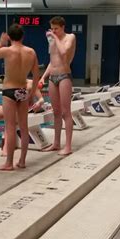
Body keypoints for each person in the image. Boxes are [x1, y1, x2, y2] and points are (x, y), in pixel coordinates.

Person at [0, 24, 39, 170]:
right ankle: (22, 161)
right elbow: (36, 76)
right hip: (23, 90)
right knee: (24, 128)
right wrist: (32, 94)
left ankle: (9, 163)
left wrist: (0, 43)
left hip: (9, 91)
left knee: (10, 127)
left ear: (10, 37)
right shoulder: (31, 52)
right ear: (22, 36)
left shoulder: (6, 50)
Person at [39, 15, 76, 155]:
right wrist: (43, 77)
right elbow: (52, 61)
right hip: (52, 78)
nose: (53, 31)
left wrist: (54, 38)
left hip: (64, 76)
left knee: (66, 112)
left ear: (63, 27)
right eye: (52, 28)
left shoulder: (70, 37)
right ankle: (56, 143)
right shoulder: (53, 40)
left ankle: (68, 146)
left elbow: (64, 52)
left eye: (56, 29)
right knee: (56, 113)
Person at [0, 80, 46, 155]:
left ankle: (6, 148)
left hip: (22, 110)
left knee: (9, 119)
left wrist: (39, 103)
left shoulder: (30, 83)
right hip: (9, 107)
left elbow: (41, 99)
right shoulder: (10, 81)